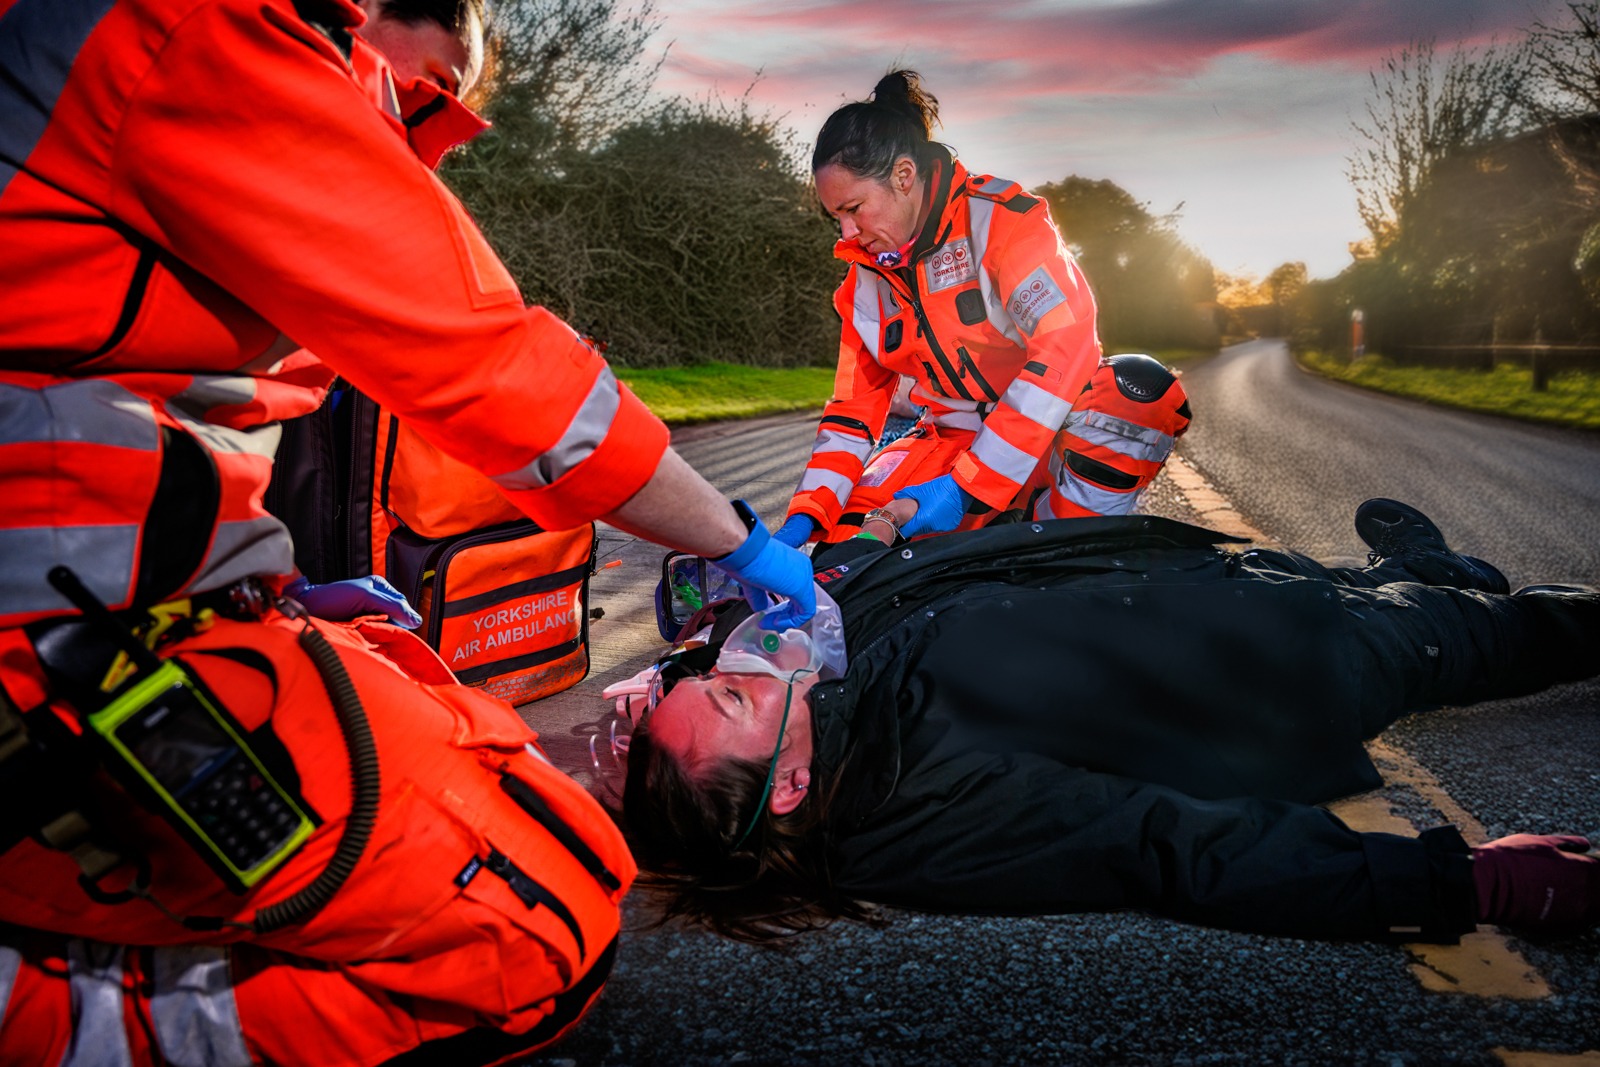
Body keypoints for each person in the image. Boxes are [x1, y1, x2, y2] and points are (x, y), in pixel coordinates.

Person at [0, 0, 813, 1062]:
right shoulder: (201, 26)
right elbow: (493, 370)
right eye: (420, 89)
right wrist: (733, 538)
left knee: (414, 712)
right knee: (536, 923)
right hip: (59, 636)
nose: (399, 134)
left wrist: (281, 595)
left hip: (91, 600)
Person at [619, 499, 1600, 945]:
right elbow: (1165, 845)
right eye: (736, 693)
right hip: (1298, 665)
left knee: (1370, 584)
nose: (745, 666)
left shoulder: (829, 706)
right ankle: (1442, 588)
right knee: (1528, 628)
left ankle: (1419, 569)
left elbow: (878, 588)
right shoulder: (917, 801)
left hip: (1212, 586)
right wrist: (1463, 880)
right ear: (785, 786)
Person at [775, 70, 1192, 553]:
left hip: (1042, 437)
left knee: (1135, 394)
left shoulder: (1003, 222)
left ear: (903, 176)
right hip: (947, 444)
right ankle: (997, 532)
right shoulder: (862, 284)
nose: (847, 234)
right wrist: (806, 514)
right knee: (851, 549)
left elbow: (1067, 345)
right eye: (836, 218)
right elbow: (852, 412)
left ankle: (1061, 544)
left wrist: (967, 488)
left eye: (853, 208)